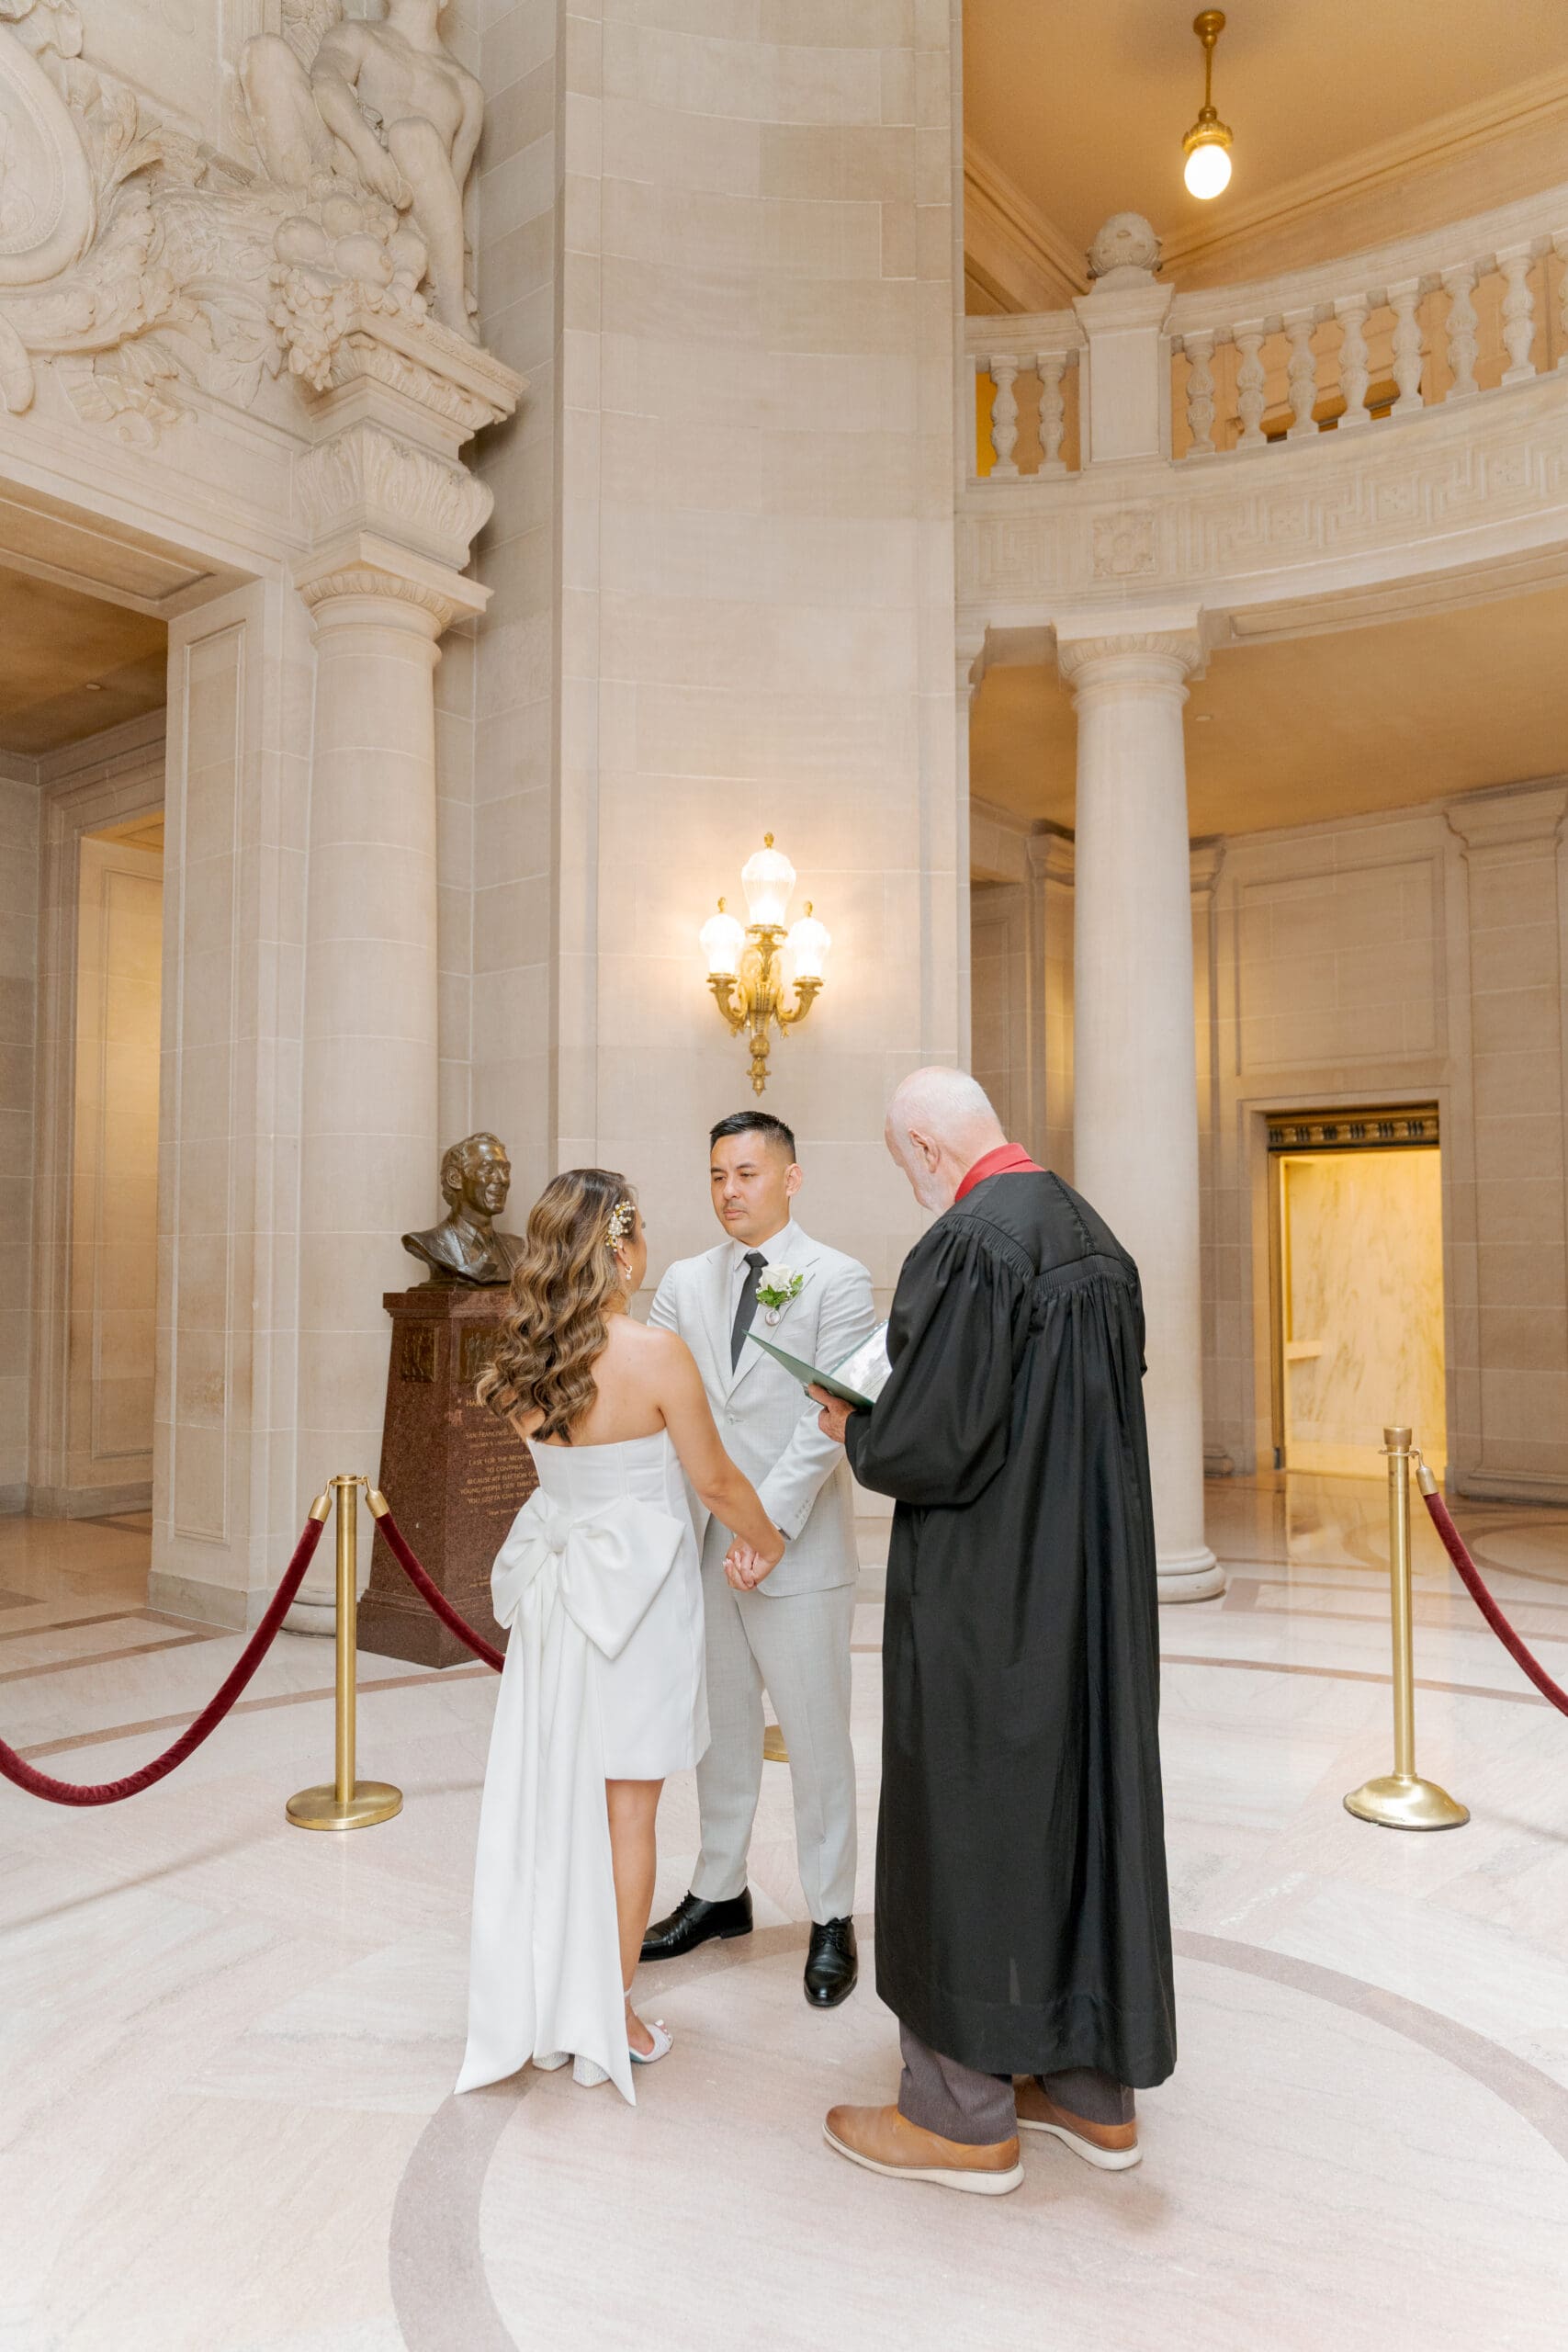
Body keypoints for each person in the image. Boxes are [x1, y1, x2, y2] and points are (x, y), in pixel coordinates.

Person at [731, 1069, 1176, 2195]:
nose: (916, 1188)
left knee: (970, 1817)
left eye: (904, 1165)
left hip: (990, 1595)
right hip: (1090, 1592)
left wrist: (852, 1421)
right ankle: (1084, 2087)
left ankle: (959, 2112)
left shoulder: (971, 1243)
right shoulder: (1095, 1236)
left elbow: (936, 1440)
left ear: (930, 1148)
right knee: (1074, 1807)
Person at [455, 1169, 784, 2104]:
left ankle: (555, 1997)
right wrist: (771, 1543)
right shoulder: (655, 1354)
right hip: (632, 1606)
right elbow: (716, 1482)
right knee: (627, 1811)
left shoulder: (523, 1361)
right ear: (622, 1246)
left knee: (555, 1800)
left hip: (559, 1603)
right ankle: (613, 2011)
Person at [640, 1113, 878, 2007]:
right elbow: (668, 1406)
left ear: (791, 1177)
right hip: (707, 1545)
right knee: (722, 1727)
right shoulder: (685, 1281)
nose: (728, 1190)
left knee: (816, 1740)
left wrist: (764, 1528)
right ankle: (717, 1889)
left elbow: (830, 1422)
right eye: (715, 1176)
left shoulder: (838, 1279)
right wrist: (714, 1531)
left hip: (798, 1548)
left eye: (745, 1172)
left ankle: (829, 1914)